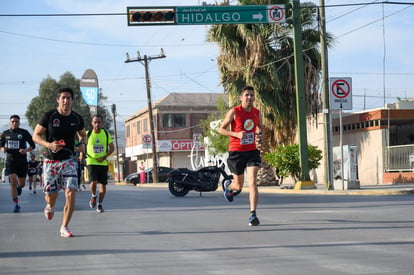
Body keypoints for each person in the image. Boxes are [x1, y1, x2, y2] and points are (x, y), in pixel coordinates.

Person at [32, 87, 86, 238]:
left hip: (69, 161)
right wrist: (49, 145)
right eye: (63, 98)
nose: (66, 101)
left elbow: (83, 135)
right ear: (58, 99)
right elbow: (35, 136)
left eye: (68, 98)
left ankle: (64, 226)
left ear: (72, 101)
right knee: (51, 195)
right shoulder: (49, 116)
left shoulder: (77, 118)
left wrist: (83, 144)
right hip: (51, 161)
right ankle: (49, 205)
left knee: (70, 193)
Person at [218, 86, 264, 226]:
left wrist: (260, 134)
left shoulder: (256, 113)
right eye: (247, 95)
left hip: (251, 151)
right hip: (236, 152)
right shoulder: (235, 112)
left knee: (252, 182)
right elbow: (221, 129)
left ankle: (253, 215)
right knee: (238, 186)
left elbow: (260, 128)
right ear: (241, 97)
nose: (249, 97)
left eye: (251, 95)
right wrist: (236, 134)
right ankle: (229, 187)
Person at [0, 115, 35, 213]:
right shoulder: (5, 133)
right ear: (10, 123)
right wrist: (3, 149)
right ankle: (16, 204)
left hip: (22, 161)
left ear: (19, 123)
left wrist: (26, 150)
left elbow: (33, 145)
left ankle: (19, 187)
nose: (14, 123)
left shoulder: (24, 132)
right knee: (12, 181)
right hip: (10, 160)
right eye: (12, 121)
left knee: (22, 184)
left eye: (16, 122)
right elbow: (1, 145)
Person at [85, 114, 114, 213]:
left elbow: (112, 148)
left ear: (102, 123)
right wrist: (81, 153)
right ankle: (93, 196)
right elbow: (80, 145)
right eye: (95, 122)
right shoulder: (87, 134)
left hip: (103, 162)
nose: (97, 124)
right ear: (92, 123)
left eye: (99, 122)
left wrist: (104, 157)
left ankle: (100, 204)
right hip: (91, 160)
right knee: (93, 181)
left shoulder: (106, 134)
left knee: (103, 184)